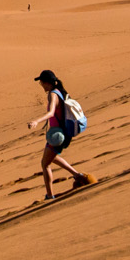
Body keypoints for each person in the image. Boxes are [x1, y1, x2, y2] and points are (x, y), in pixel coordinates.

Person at [26, 69, 91, 199]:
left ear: (47, 83)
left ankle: (50, 196)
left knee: (45, 164)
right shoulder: (61, 92)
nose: (42, 86)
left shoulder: (53, 95)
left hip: (58, 135)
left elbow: (51, 113)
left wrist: (36, 121)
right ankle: (77, 175)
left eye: (42, 83)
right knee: (52, 157)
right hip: (63, 134)